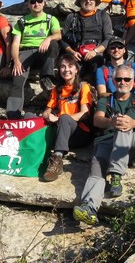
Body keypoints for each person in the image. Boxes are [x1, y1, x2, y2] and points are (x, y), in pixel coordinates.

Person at [73, 65, 135, 226]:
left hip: (129, 142)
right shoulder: (105, 100)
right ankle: (89, 207)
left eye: (127, 79)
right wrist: (111, 122)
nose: (123, 82)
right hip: (105, 141)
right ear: (113, 81)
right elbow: (97, 119)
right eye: (119, 79)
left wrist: (134, 122)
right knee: (96, 169)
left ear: (132, 81)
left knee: (124, 126)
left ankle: (115, 175)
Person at [6, 0, 62, 119]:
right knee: (18, 78)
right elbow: (15, 43)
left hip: (43, 51)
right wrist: (16, 61)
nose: (36, 4)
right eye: (33, 2)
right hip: (25, 52)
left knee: (53, 43)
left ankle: (46, 77)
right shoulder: (22, 21)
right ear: (29, 5)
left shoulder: (50, 19)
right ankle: (13, 116)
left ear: (43, 3)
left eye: (38, 1)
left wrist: (47, 39)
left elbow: (58, 35)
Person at [41, 53, 94, 182]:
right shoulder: (57, 89)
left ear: (76, 69)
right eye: (63, 67)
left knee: (64, 118)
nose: (66, 70)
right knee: (31, 117)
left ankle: (57, 160)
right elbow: (46, 111)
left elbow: (84, 113)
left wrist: (60, 119)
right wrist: (48, 116)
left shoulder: (83, 87)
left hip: (79, 134)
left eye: (70, 66)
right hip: (61, 132)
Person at [60, 0, 113, 82]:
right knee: (68, 67)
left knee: (97, 67)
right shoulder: (71, 17)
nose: (88, 1)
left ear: (96, 1)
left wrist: (95, 51)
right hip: (76, 54)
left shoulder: (103, 16)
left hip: (96, 54)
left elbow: (108, 38)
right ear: (80, 1)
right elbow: (63, 39)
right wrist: (72, 52)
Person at [96, 36, 135, 115]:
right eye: (113, 47)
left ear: (124, 50)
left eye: (120, 47)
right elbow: (102, 93)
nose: (116, 50)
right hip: (113, 102)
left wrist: (131, 85)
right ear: (108, 51)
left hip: (133, 101)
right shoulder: (102, 70)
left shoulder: (133, 66)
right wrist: (119, 96)